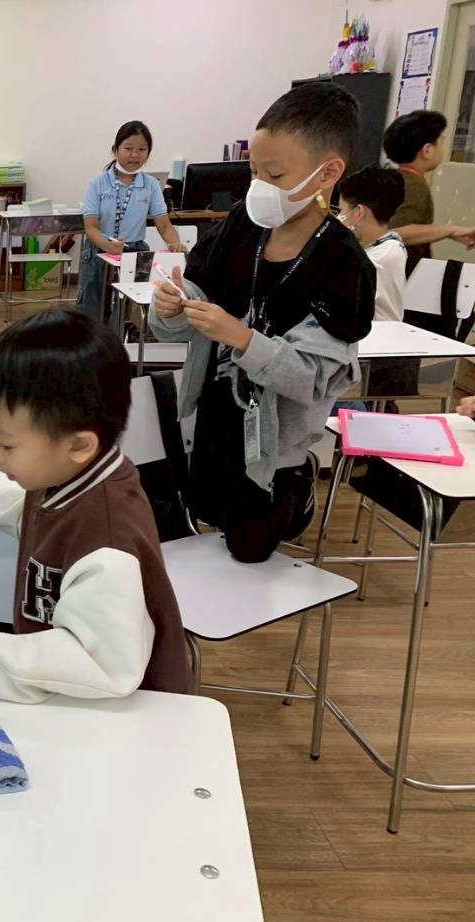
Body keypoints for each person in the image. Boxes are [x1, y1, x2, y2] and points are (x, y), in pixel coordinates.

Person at [0, 309, 190, 703]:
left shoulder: (108, 545)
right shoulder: (73, 476)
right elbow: (32, 513)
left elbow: (98, 663)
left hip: (119, 715)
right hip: (71, 700)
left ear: (79, 444)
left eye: (6, 444)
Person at [150, 82, 375, 563]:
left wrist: (241, 338)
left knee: (248, 552)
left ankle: (297, 489)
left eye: (274, 174)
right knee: (204, 521)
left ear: (327, 173)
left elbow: (313, 378)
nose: (259, 186)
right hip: (213, 417)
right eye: (254, 170)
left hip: (275, 444)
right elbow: (192, 304)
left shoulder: (343, 265)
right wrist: (171, 306)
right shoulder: (240, 227)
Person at [78, 121, 186, 330]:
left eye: (142, 149)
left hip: (135, 254)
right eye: (128, 148)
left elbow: (164, 224)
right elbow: (90, 227)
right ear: (115, 150)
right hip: (99, 250)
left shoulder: (151, 185)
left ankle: (119, 347)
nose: (135, 155)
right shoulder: (97, 183)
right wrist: (107, 245)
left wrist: (175, 243)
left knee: (127, 311)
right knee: (92, 310)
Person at [382, 109, 475, 268]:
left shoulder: (396, 178)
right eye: (441, 141)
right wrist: (449, 230)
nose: (443, 147)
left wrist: (448, 233)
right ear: (427, 151)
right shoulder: (414, 187)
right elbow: (394, 233)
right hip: (400, 273)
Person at [338, 165, 407, 323]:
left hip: (376, 334)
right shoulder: (375, 246)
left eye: (341, 211)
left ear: (359, 212)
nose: (339, 217)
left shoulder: (384, 254)